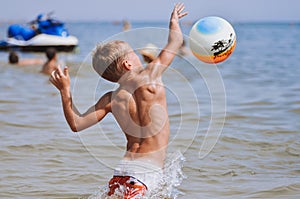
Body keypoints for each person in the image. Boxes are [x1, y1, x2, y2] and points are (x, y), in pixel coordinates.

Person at [49, 3, 187, 198]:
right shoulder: (151, 74)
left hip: (121, 173)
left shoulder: (111, 99)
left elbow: (76, 124)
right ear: (127, 63)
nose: (140, 57)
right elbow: (176, 41)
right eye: (135, 54)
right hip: (146, 174)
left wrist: (65, 91)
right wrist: (174, 23)